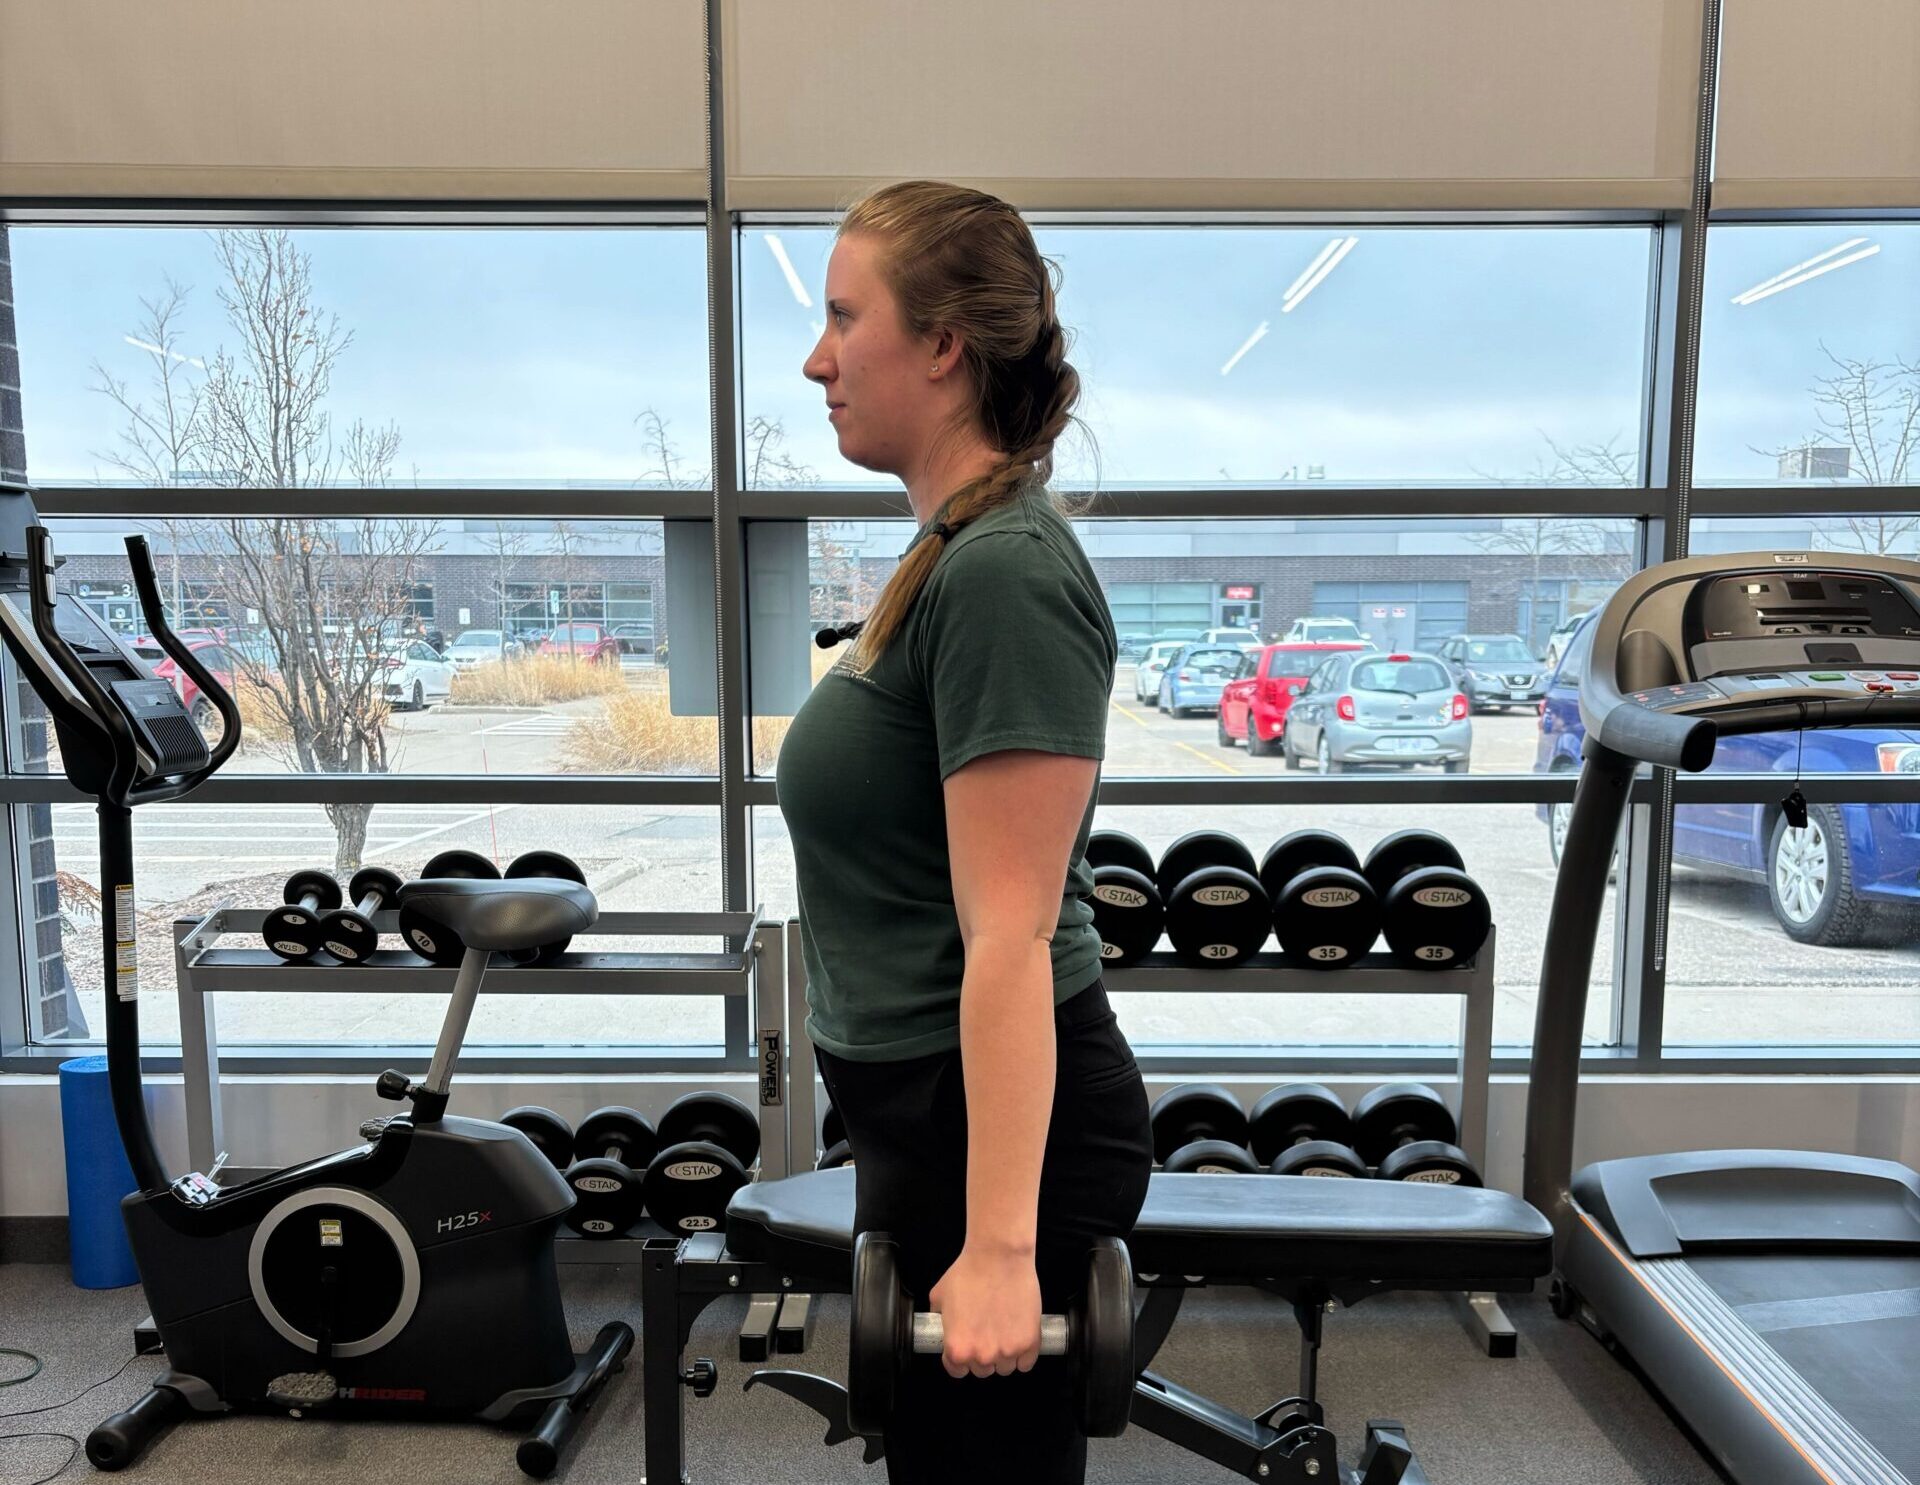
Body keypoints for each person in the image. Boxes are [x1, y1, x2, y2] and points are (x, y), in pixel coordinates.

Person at [776, 180, 1153, 1484]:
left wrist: (999, 1246)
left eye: (843, 318)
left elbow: (1009, 932)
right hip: (925, 1116)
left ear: (942, 345)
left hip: (994, 1141)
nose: (816, 358)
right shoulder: (945, 551)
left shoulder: (1002, 573)